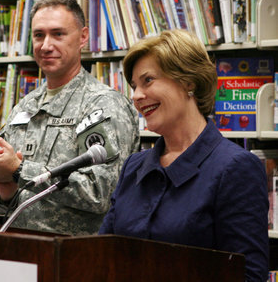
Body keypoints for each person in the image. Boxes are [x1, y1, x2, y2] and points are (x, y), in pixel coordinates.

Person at [98, 29, 269, 282]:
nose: (136, 96)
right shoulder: (133, 167)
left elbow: (248, 276)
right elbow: (102, 254)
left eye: (148, 80)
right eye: (134, 86)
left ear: (188, 81)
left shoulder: (236, 168)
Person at [0, 0, 140, 235]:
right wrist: (2, 184)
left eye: (58, 34)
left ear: (83, 37)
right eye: (39, 35)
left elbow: (101, 193)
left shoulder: (103, 104)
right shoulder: (25, 107)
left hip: (76, 259)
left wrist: (19, 171)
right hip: (20, 252)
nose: (46, 45)